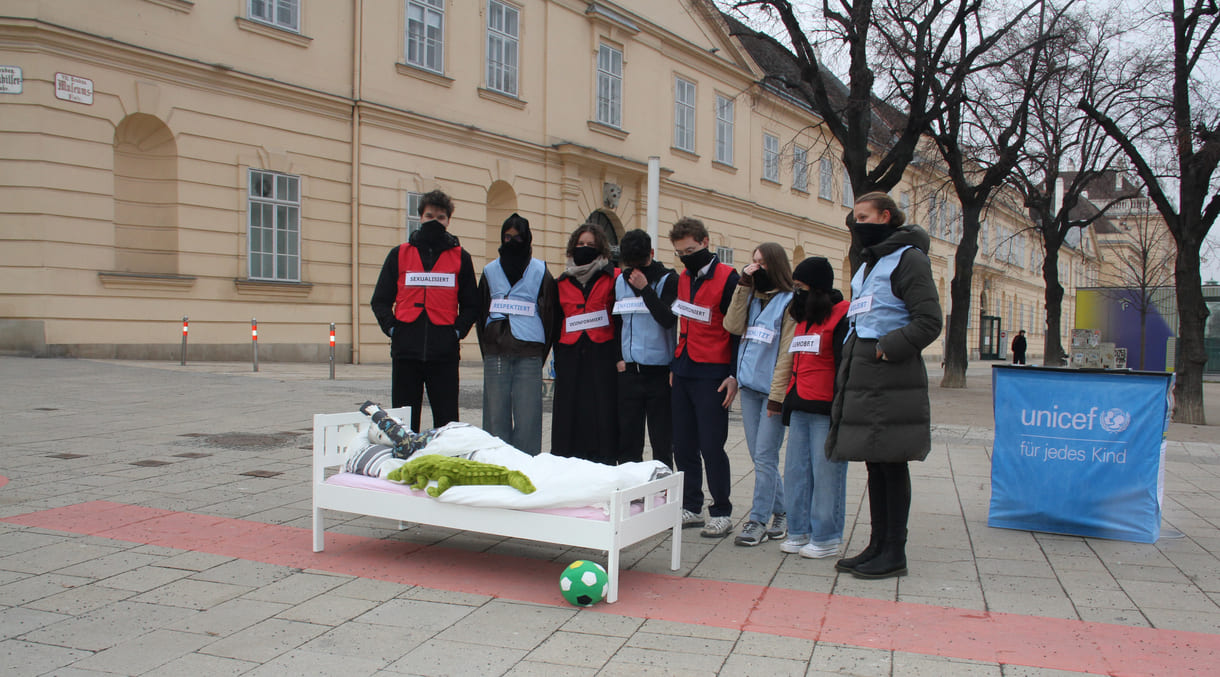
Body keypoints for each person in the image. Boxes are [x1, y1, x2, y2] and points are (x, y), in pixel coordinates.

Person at [827, 192, 942, 579]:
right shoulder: (869, 261)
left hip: (891, 376)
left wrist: (885, 349)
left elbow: (928, 321)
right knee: (876, 463)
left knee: (892, 464)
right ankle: (877, 544)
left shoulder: (908, 259)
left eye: (863, 216)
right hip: (865, 376)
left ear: (886, 217)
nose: (856, 223)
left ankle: (894, 550)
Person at [371, 189, 478, 433]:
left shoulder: (461, 257)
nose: (434, 221)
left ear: (448, 221)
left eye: (440, 217)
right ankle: (405, 467)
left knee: (447, 420)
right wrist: (392, 327)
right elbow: (380, 300)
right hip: (406, 350)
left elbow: (472, 304)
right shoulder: (399, 254)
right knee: (403, 421)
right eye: (429, 215)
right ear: (420, 217)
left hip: (444, 352)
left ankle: (445, 464)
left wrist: (457, 331)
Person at [669, 217, 741, 538]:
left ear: (706, 242)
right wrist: (676, 365)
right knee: (683, 444)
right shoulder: (683, 277)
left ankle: (722, 510)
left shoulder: (729, 278)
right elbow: (684, 320)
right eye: (680, 252)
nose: (685, 256)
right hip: (684, 367)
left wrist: (733, 374)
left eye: (690, 249)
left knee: (712, 445)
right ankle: (691, 505)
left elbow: (737, 329)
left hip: (714, 370)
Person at [723, 243, 795, 546]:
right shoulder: (752, 297)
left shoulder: (790, 302)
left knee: (765, 456)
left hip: (772, 392)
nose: (755, 268)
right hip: (750, 389)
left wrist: (778, 397)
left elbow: (786, 354)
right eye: (752, 262)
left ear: (776, 266)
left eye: (762, 264)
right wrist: (742, 286)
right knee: (759, 456)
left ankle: (758, 519)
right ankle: (782, 511)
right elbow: (732, 325)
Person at [780, 257, 850, 559]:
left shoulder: (840, 316)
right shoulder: (804, 318)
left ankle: (826, 536)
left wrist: (841, 408)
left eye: (801, 287)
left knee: (826, 474)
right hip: (799, 403)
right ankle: (798, 530)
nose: (797, 292)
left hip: (825, 407)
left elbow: (844, 366)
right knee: (796, 472)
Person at [475, 213, 557, 455]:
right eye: (507, 237)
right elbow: (481, 315)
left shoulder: (540, 270)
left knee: (528, 416)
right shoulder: (490, 271)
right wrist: (487, 347)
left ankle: (527, 466)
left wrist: (540, 353)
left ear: (527, 238)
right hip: (496, 350)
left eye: (518, 237)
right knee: (495, 417)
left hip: (529, 352)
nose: (512, 242)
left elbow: (550, 314)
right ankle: (495, 464)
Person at [551, 223, 620, 463]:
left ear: (600, 247)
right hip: (570, 353)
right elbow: (555, 318)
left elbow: (618, 317)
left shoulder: (612, 276)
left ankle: (603, 462)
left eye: (591, 245)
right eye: (581, 244)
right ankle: (566, 463)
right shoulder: (561, 281)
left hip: (601, 351)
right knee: (569, 411)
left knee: (600, 411)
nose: (585, 248)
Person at [613, 229, 678, 467]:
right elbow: (617, 321)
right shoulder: (620, 280)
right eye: (630, 265)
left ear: (651, 253)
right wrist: (618, 358)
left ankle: (662, 492)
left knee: (662, 442)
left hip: (659, 374)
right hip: (629, 372)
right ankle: (632, 493)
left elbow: (668, 319)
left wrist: (645, 289)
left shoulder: (668, 279)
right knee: (628, 442)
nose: (634, 270)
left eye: (639, 264)